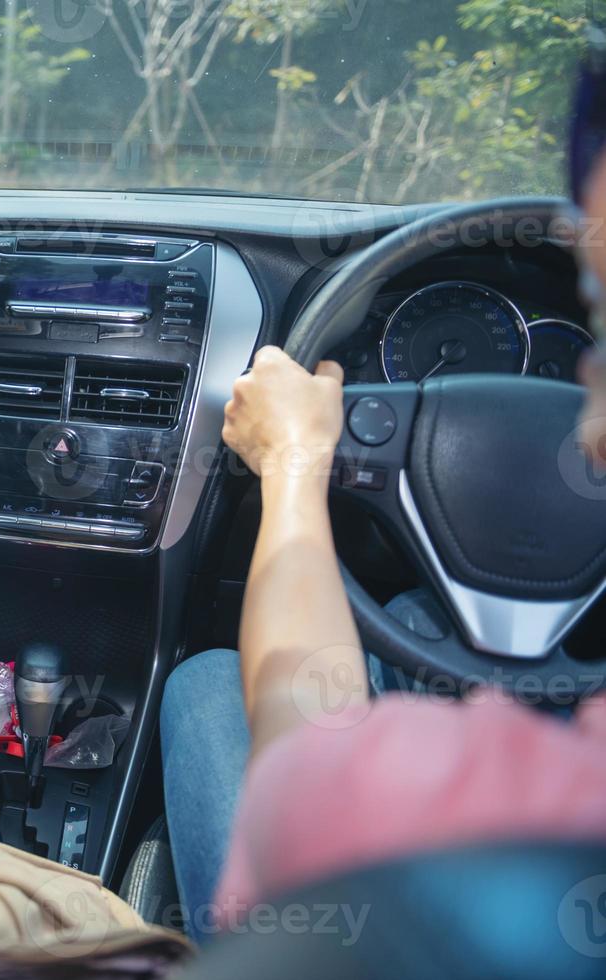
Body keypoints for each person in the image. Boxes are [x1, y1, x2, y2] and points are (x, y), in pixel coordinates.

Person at [160, 50, 606, 942]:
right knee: (409, 612)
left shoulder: (427, 826)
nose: (588, 381)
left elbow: (309, 756)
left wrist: (294, 463)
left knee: (210, 683)